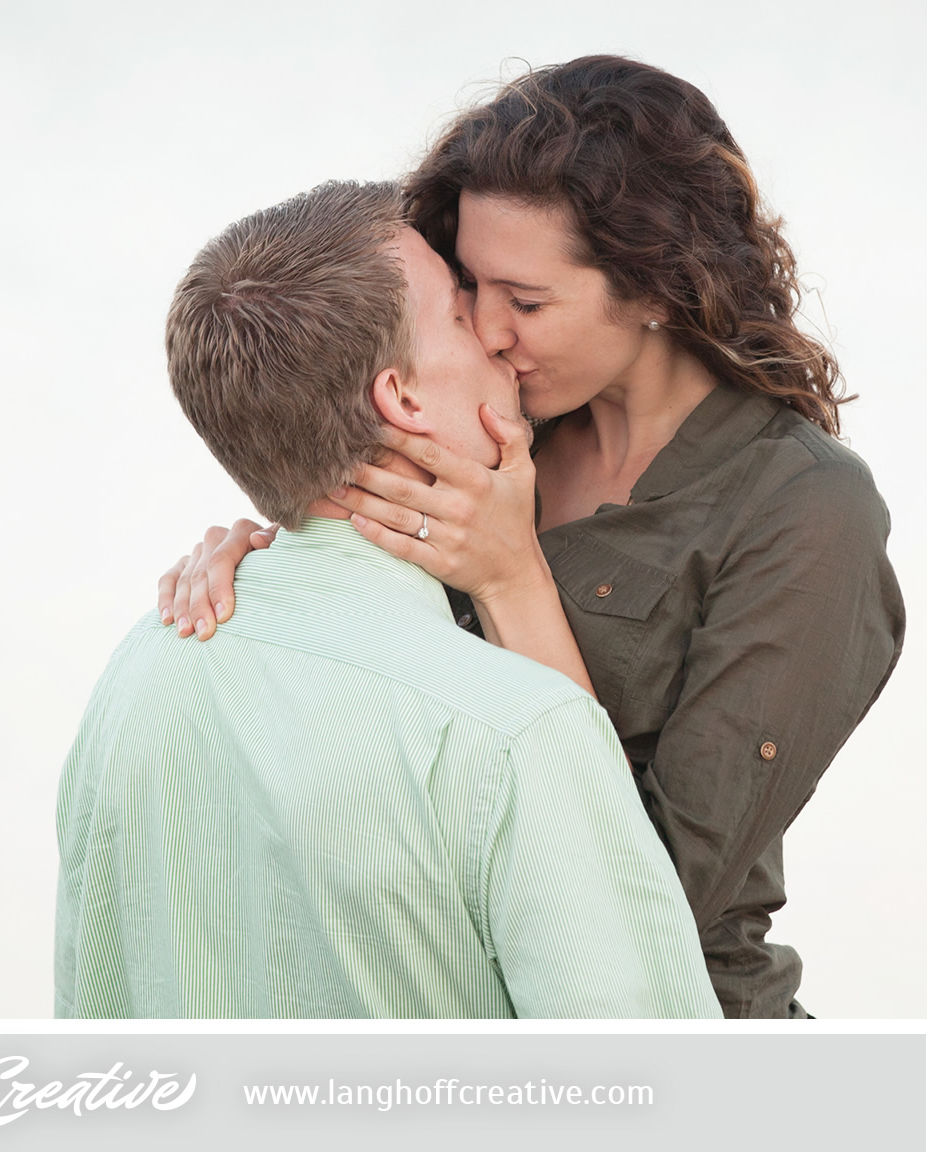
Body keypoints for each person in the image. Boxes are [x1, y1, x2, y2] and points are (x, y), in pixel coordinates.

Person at [157, 56, 905, 1018]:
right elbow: (363, 625)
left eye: (529, 300)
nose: (487, 329)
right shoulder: (496, 425)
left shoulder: (804, 510)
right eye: (469, 285)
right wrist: (262, 563)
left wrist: (515, 584)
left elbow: (655, 898)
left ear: (657, 289)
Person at [56, 179, 721, 1019]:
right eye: (457, 309)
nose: (492, 332)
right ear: (401, 399)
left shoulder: (135, 674)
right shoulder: (517, 736)